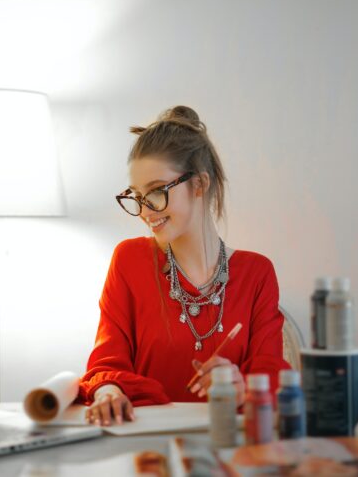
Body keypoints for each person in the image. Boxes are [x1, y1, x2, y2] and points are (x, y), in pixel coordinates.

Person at [78, 106, 290, 426]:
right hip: (145, 447)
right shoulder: (129, 260)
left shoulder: (256, 273)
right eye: (137, 196)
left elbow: (271, 372)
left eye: (157, 191)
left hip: (228, 445)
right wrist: (107, 391)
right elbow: (106, 363)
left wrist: (241, 383)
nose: (146, 212)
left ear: (200, 185)